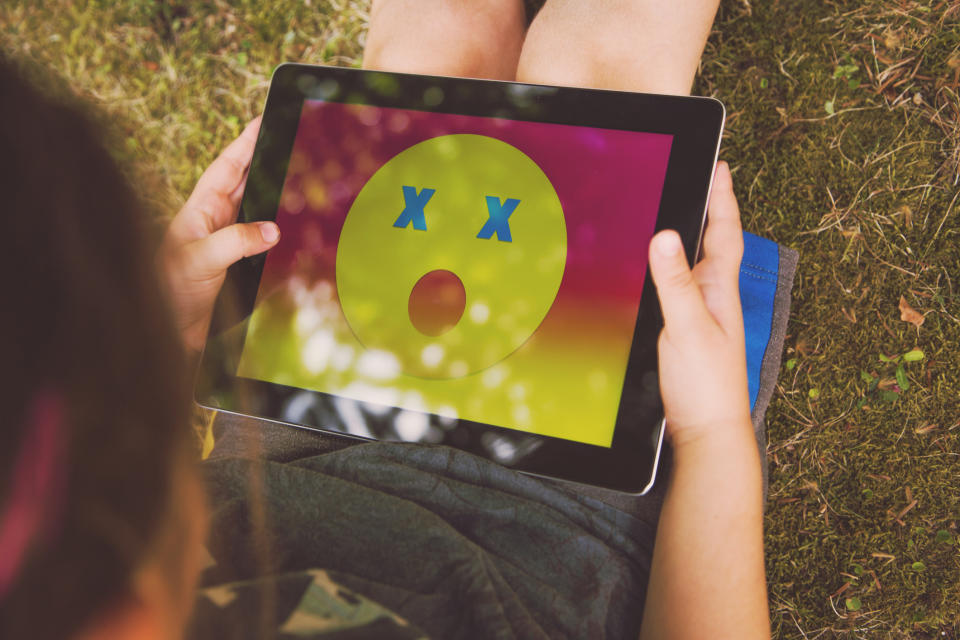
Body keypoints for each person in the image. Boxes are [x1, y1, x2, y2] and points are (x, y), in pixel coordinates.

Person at [0, 2, 769, 637]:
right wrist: (711, 434)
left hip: (291, 438)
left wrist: (164, 340)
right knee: (603, 73)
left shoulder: (75, 559)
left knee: (427, 58)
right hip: (545, 530)